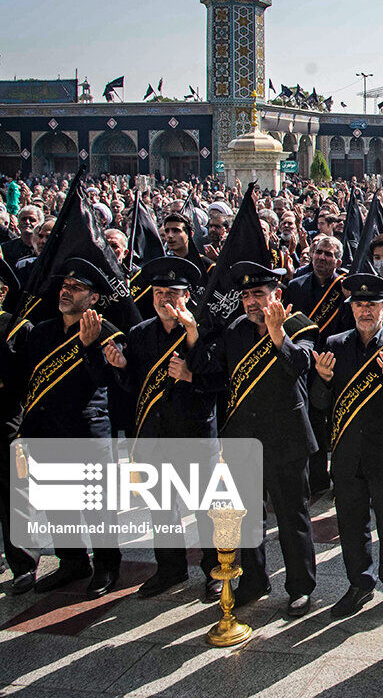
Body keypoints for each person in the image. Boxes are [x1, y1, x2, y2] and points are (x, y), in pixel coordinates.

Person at [190, 260, 320, 617]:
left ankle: (300, 587)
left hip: (286, 439)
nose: (251, 302)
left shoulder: (299, 325)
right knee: (247, 517)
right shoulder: (234, 330)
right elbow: (216, 371)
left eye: (258, 294)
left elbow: (300, 366)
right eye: (246, 295)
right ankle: (254, 580)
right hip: (242, 439)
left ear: (275, 295)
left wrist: (278, 335)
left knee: (293, 516)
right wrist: (191, 336)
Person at [103, 256, 220, 599]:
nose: (165, 299)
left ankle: (214, 569)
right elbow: (133, 386)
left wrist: (191, 374)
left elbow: (219, 381)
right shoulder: (140, 333)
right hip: (155, 436)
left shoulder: (205, 328)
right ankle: (170, 568)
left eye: (172, 292)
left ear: (187, 296)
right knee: (160, 507)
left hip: (195, 434)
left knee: (203, 509)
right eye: (158, 292)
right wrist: (122, 367)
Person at [311, 273, 383, 623]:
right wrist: (324, 380)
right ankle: (359, 583)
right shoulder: (335, 344)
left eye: (372, 305)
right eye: (359, 304)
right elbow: (319, 403)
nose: (365, 311)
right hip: (347, 454)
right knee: (351, 523)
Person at [19, 258, 124, 597]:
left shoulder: (105, 332)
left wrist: (90, 346)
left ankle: (107, 565)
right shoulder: (43, 330)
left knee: (96, 506)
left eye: (76, 288)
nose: (66, 291)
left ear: (93, 298)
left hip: (86, 429)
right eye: (65, 286)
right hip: (47, 429)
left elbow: (109, 380)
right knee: (57, 502)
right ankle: (73, 561)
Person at [284, 234, 347, 495]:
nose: (322, 258)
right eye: (319, 252)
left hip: (335, 363)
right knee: (310, 422)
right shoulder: (296, 286)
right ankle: (317, 478)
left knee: (338, 423)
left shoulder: (345, 289)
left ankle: (341, 478)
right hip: (304, 364)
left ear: (338, 260)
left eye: (328, 254)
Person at [0, 270, 36, 593]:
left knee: (13, 492)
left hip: (8, 421)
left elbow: (26, 380)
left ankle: (23, 563)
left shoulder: (18, 328)